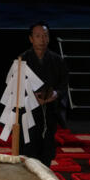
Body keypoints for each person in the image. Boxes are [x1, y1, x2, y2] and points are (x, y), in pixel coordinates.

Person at [19, 22, 69, 166]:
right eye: (38, 36)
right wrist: (30, 97)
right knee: (28, 148)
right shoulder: (22, 59)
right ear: (31, 39)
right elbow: (14, 87)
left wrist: (56, 94)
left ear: (49, 38)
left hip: (50, 110)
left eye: (45, 36)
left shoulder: (57, 60)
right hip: (29, 111)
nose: (42, 39)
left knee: (46, 149)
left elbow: (63, 85)